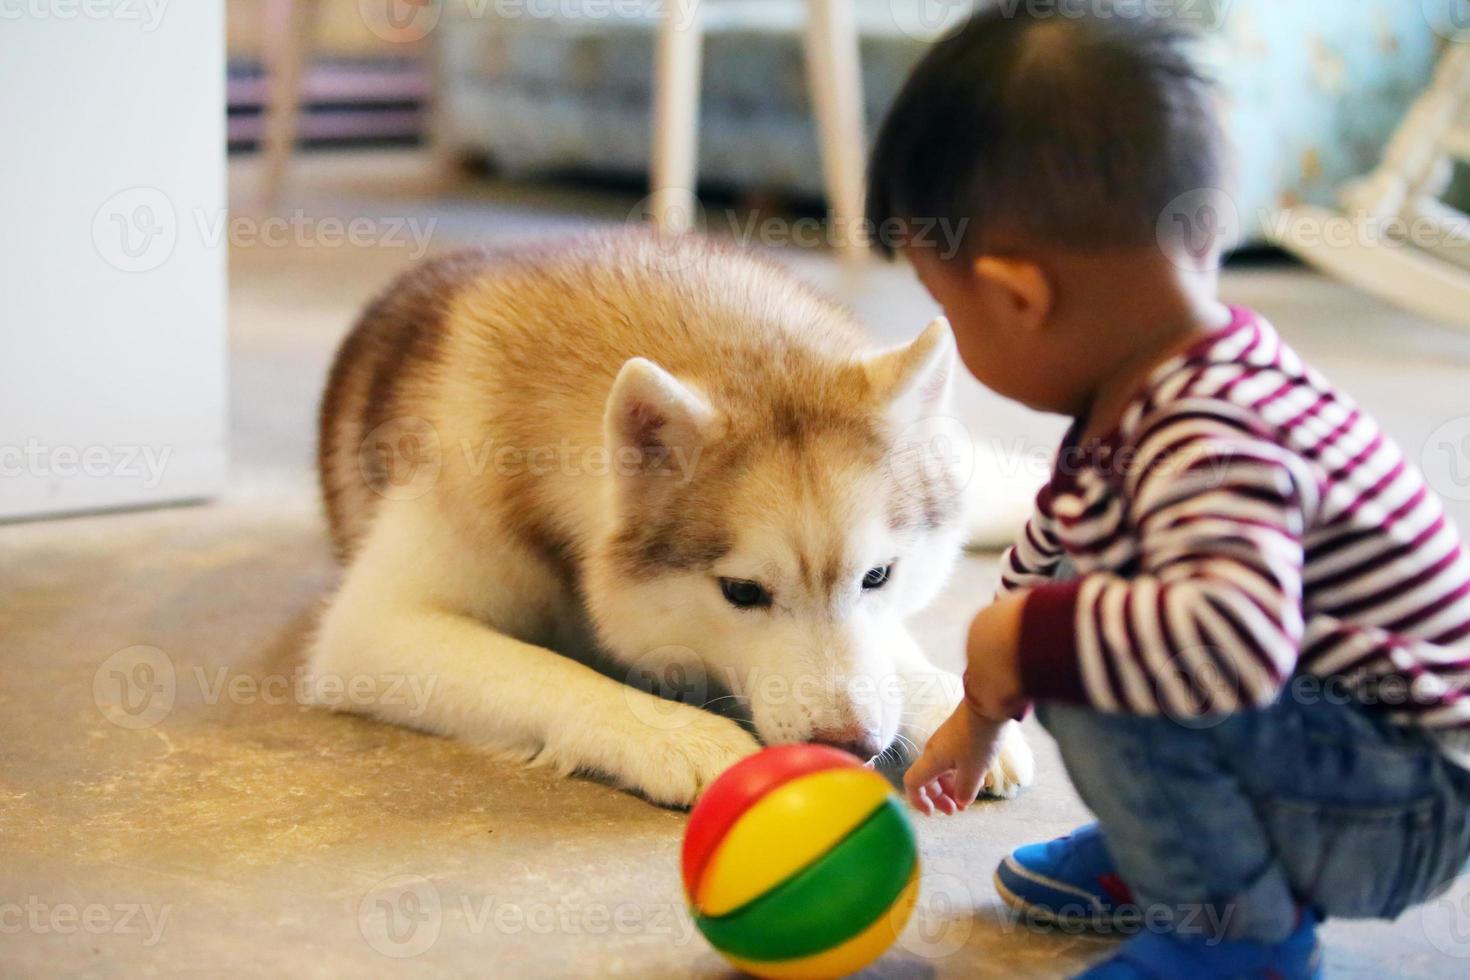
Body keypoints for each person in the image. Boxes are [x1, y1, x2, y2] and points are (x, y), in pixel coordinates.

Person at [867, 6, 1470, 978]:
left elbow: (1231, 641)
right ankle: (1184, 858)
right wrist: (978, 714)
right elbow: (1047, 555)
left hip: (1401, 802)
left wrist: (1027, 645)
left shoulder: (1211, 433)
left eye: (952, 307)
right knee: (1069, 626)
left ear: (1021, 296)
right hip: (1344, 754)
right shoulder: (1145, 390)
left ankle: (1240, 934)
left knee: (1089, 660)